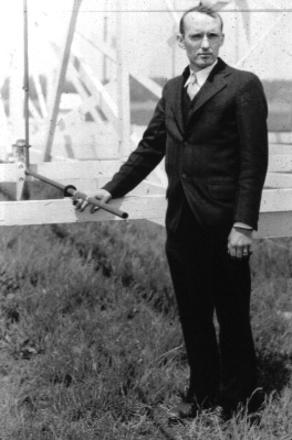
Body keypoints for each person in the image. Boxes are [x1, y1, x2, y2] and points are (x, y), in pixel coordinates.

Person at [76, 4, 268, 419]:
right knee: (194, 314)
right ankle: (200, 394)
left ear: (221, 39)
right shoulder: (170, 90)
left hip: (223, 225)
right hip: (181, 224)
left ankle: (240, 402)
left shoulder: (243, 86)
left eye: (212, 36)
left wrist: (242, 224)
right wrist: (109, 190)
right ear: (180, 41)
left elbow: (255, 161)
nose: (204, 44)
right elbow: (149, 149)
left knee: (232, 317)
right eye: (195, 36)